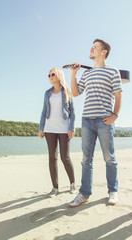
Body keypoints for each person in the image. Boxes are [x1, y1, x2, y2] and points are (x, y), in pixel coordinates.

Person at [68, 39, 123, 207]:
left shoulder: (113, 71)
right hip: (86, 121)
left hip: (104, 121)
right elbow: (76, 93)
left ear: (104, 52)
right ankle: (84, 194)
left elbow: (119, 95)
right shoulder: (87, 73)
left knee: (109, 158)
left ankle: (113, 191)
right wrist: (73, 73)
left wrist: (115, 115)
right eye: (91, 47)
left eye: (95, 47)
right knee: (86, 159)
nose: (91, 49)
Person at [39, 68, 77, 198]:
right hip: (49, 128)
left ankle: (72, 184)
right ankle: (55, 188)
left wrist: (72, 128)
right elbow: (44, 111)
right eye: (48, 75)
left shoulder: (66, 91)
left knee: (64, 157)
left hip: (64, 129)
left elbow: (73, 112)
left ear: (59, 75)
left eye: (52, 74)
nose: (50, 76)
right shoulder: (47, 93)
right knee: (52, 157)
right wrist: (41, 128)